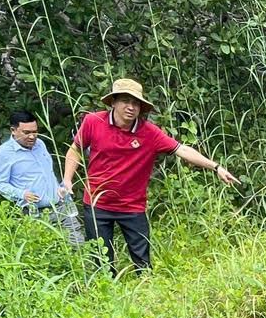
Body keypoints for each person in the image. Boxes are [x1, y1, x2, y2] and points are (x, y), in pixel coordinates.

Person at [62, 78, 238, 272]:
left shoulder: (150, 132)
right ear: (113, 102)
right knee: (102, 263)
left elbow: (183, 150)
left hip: (132, 206)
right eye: (125, 101)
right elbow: (75, 150)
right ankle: (106, 296)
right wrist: (67, 180)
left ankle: (144, 292)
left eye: (136, 103)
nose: (131, 107)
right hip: (96, 203)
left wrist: (216, 167)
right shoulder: (93, 121)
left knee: (143, 263)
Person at [0, 109, 85, 245]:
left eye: (35, 132)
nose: (32, 137)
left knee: (78, 246)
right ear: (13, 130)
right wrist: (22, 194)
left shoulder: (40, 144)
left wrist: (61, 187)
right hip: (34, 213)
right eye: (26, 133)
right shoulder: (2, 153)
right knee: (45, 252)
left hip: (61, 207)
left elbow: (47, 173)